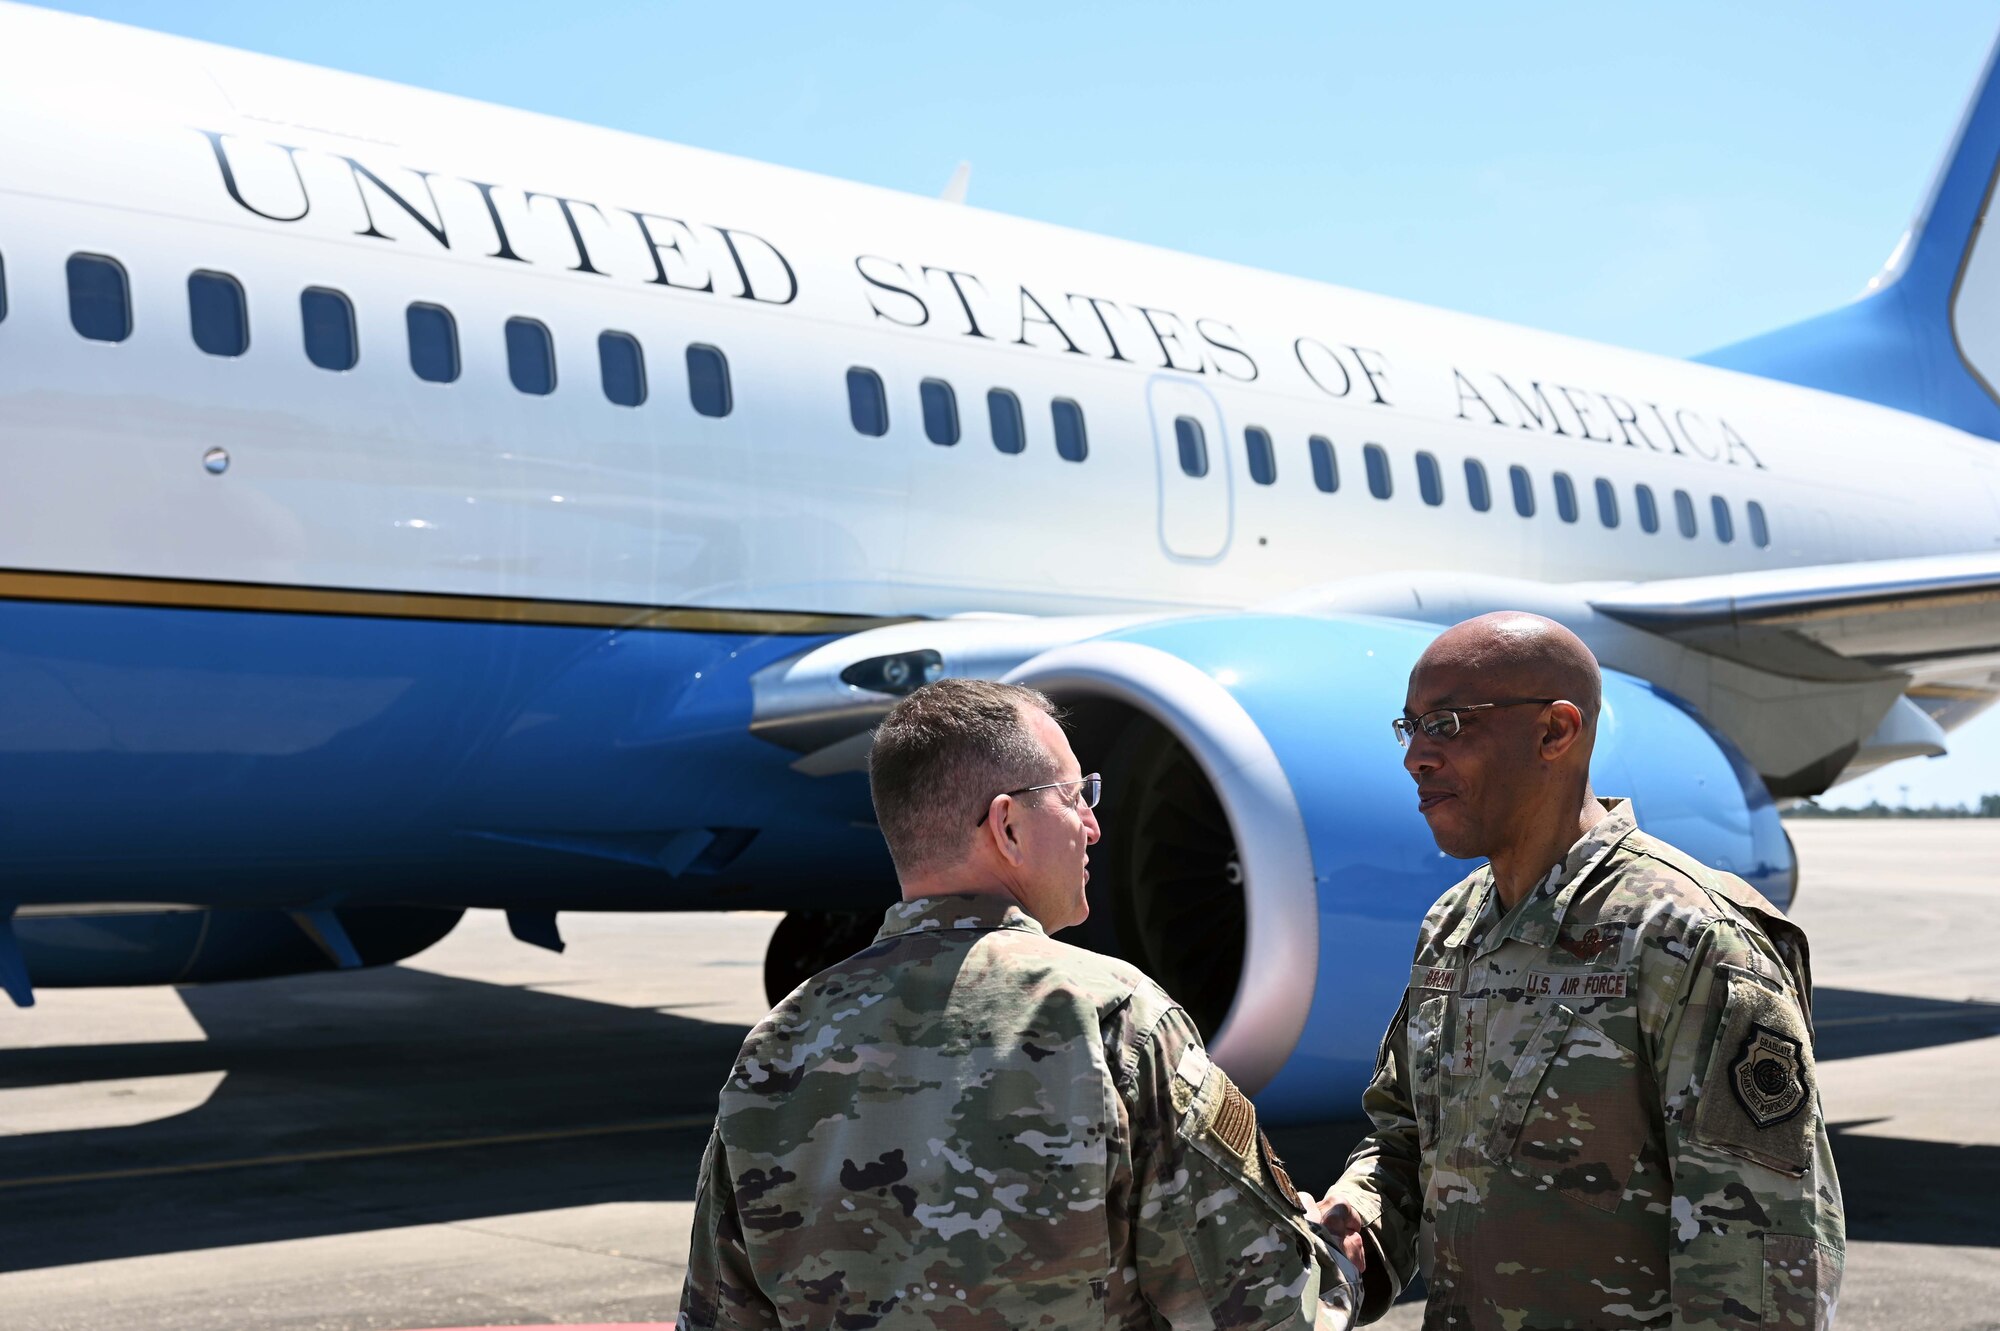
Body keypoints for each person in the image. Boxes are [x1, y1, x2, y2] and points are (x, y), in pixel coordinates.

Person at [678, 677, 1360, 1330]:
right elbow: (1257, 1310)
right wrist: (1337, 1267)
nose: (1093, 826)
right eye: (1074, 796)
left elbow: (719, 1313)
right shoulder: (1114, 1017)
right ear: (1006, 826)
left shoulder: (779, 1040)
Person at [1317, 612, 1843, 1329]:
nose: (1416, 756)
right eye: (1409, 728)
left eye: (1447, 724)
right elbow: (1406, 1138)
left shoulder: (1689, 941)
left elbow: (1762, 1254)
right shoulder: (1453, 927)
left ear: (1556, 732)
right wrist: (1356, 1229)